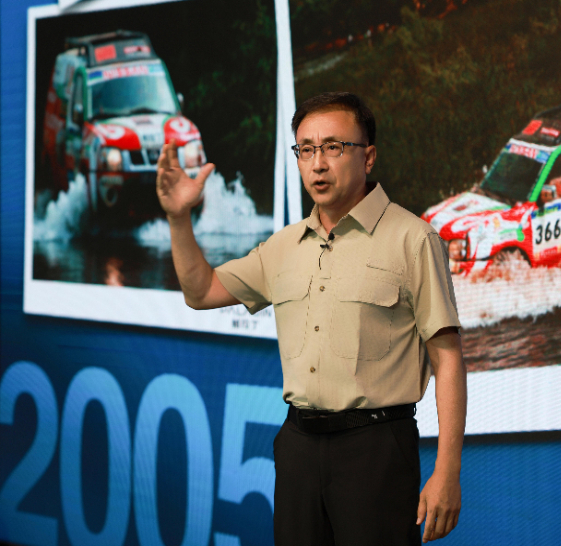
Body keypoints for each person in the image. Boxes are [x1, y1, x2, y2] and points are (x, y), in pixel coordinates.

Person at [156, 92, 467, 545]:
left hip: (376, 450)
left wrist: (448, 472)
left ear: (369, 157)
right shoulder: (283, 247)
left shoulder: (414, 240)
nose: (317, 164)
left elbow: (448, 360)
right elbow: (200, 292)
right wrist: (179, 219)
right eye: (306, 149)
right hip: (298, 448)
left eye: (333, 147)